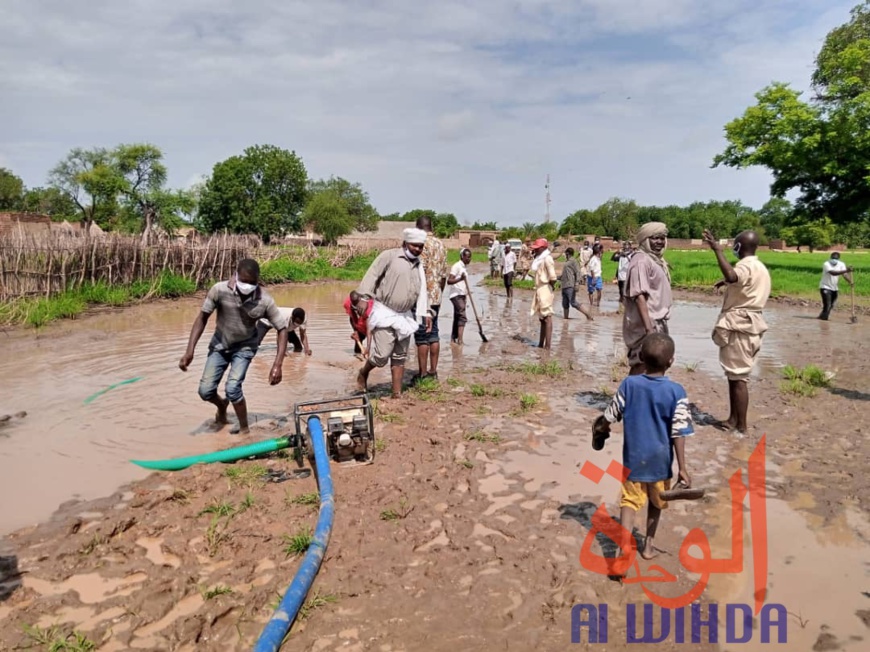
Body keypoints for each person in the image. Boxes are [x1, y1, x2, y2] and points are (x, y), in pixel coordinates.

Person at [592, 332, 694, 562]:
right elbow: (679, 432)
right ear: (671, 361)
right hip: (660, 460)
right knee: (657, 502)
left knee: (629, 501)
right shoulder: (676, 392)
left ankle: (623, 546)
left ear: (640, 357)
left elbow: (611, 413)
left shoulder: (630, 384)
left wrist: (602, 427)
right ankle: (648, 546)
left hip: (633, 458)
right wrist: (683, 468)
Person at [179, 258, 288, 435]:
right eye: (243, 281)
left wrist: (277, 365)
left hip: (245, 348)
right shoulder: (219, 290)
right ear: (236, 276)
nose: (247, 286)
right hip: (219, 346)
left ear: (258, 280)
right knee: (205, 391)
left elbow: (282, 329)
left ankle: (244, 428)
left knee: (233, 388)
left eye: (252, 282)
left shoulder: (265, 300)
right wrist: (189, 350)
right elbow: (202, 318)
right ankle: (221, 406)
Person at [702, 229, 771, 435]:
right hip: (752, 324)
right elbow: (742, 283)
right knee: (734, 376)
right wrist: (726, 283)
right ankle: (733, 419)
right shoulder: (760, 267)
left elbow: (732, 275)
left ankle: (741, 426)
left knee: (739, 378)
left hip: (741, 326)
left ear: (739, 247)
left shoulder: (746, 265)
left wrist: (717, 251)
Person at [355, 228, 432, 398]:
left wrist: (426, 312)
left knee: (400, 355)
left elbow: (422, 291)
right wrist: (364, 297)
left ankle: (396, 393)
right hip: (384, 312)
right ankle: (363, 372)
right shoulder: (389, 256)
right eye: (414, 246)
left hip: (404, 316)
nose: (417, 249)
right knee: (381, 355)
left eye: (420, 247)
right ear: (405, 243)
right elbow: (372, 274)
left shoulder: (418, 265)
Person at [623, 223, 672, 376]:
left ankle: (640, 397)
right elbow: (639, 296)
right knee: (642, 364)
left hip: (657, 322)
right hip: (646, 323)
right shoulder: (641, 261)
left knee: (655, 366)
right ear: (645, 239)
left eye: (662, 238)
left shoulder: (655, 260)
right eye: (655, 238)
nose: (659, 242)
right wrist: (649, 330)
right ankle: (628, 397)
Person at [414, 215, 448, 382]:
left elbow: (418, 273)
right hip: (436, 295)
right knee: (434, 333)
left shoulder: (420, 245)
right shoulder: (441, 245)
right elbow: (443, 276)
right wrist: (438, 293)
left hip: (422, 297)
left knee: (421, 336)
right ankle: (433, 371)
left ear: (418, 228)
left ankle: (422, 373)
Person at [529, 238, 557, 349]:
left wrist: (550, 287)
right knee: (542, 318)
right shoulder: (540, 259)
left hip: (545, 288)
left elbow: (553, 277)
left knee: (547, 317)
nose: (535, 251)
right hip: (539, 288)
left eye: (537, 249)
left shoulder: (547, 259)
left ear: (543, 248)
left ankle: (548, 346)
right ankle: (541, 344)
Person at [818, 251, 853, 320]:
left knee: (831, 304)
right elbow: (833, 273)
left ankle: (822, 316)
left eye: (836, 259)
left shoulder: (841, 264)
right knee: (827, 304)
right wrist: (846, 270)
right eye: (833, 258)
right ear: (830, 258)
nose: (834, 260)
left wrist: (850, 281)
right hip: (825, 287)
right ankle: (824, 319)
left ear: (838, 259)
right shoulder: (826, 264)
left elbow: (844, 275)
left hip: (834, 288)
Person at [560, 247, 592, 319]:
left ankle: (588, 315)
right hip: (564, 285)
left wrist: (577, 283)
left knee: (573, 302)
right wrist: (556, 277)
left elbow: (578, 272)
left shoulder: (573, 261)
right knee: (565, 304)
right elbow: (566, 274)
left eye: (565, 253)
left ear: (567, 253)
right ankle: (566, 320)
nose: (565, 255)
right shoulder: (567, 262)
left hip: (570, 285)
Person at [448, 248, 472, 345]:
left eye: (470, 257)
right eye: (467, 257)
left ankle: (453, 338)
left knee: (457, 316)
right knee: (462, 316)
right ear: (462, 256)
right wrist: (460, 279)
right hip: (455, 295)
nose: (469, 259)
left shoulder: (464, 267)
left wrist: (467, 294)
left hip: (462, 295)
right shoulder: (456, 266)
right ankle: (460, 340)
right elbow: (449, 281)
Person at [343, 291, 373, 358]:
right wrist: (355, 331)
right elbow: (352, 317)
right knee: (359, 337)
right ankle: (357, 356)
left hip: (374, 323)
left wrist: (368, 347)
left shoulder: (370, 306)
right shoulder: (348, 303)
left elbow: (369, 330)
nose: (357, 310)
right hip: (361, 322)